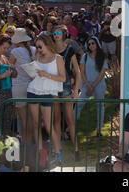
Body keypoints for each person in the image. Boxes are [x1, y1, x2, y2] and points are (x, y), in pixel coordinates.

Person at [27, 34, 65, 166]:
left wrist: (46, 75)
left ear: (47, 44)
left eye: (40, 46)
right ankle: (40, 154)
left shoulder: (58, 58)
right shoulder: (37, 57)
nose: (38, 49)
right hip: (33, 91)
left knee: (49, 125)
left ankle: (58, 153)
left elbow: (63, 78)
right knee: (36, 124)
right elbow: (33, 77)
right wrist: (32, 73)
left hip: (48, 93)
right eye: (36, 47)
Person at [51, 25, 81, 160]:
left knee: (69, 119)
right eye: (54, 32)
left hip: (66, 86)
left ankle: (76, 150)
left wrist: (76, 90)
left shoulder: (69, 50)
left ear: (64, 34)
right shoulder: (50, 49)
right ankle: (58, 151)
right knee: (56, 119)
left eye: (58, 32)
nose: (55, 34)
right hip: (53, 84)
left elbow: (78, 72)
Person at [76, 36, 108, 137]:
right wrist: (88, 85)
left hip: (99, 85)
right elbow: (82, 72)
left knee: (100, 107)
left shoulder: (103, 56)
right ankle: (70, 128)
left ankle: (99, 130)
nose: (91, 45)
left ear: (97, 44)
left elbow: (102, 73)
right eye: (89, 44)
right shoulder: (84, 56)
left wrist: (93, 86)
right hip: (87, 84)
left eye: (93, 43)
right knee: (78, 105)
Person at [8, 28, 36, 142]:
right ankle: (28, 141)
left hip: (18, 86)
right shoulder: (33, 50)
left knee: (23, 118)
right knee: (29, 118)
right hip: (31, 86)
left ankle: (25, 142)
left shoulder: (15, 52)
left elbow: (10, 68)